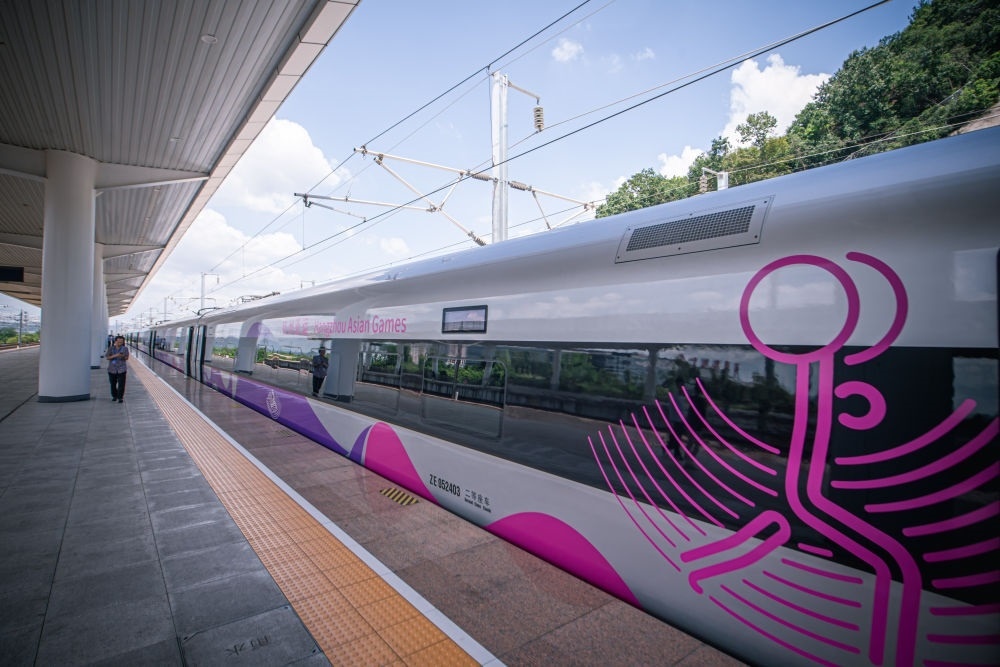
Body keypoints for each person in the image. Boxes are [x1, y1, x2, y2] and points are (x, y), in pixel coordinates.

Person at [106, 335, 129, 403]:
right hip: (112, 369)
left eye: (121, 342)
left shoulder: (125, 349)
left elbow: (127, 358)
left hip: (122, 369)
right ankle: (114, 396)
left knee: (121, 384)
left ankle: (120, 397)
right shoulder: (111, 348)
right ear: (115, 341)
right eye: (119, 342)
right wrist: (116, 355)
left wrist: (123, 356)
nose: (120, 343)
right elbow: (107, 357)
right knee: (113, 384)